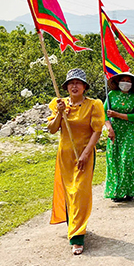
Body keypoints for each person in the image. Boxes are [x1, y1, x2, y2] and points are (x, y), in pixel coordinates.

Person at [46, 68, 105, 255]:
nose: (74, 86)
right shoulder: (59, 104)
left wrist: (86, 153)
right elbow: (52, 129)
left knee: (80, 192)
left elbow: (97, 130)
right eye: (71, 83)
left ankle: (77, 236)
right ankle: (73, 225)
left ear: (84, 87)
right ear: (66, 86)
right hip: (65, 155)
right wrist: (58, 114)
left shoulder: (94, 105)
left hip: (84, 155)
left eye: (78, 83)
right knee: (68, 192)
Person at [104, 71, 134, 202]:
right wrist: (109, 128)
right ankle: (116, 192)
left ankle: (129, 189)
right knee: (114, 160)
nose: (125, 83)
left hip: (129, 132)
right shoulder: (111, 95)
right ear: (118, 82)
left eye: (128, 81)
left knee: (126, 160)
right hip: (114, 132)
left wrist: (117, 115)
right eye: (123, 80)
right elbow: (104, 113)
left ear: (132, 84)